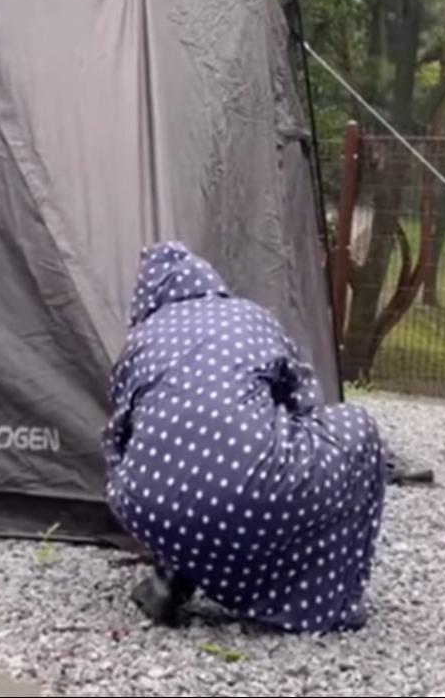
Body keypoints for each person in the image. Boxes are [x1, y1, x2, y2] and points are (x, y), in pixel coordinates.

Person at [103, 241, 387, 634]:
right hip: (248, 495)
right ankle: (324, 602)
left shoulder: (139, 341)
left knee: (184, 470)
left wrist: (133, 499)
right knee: (356, 429)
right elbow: (308, 404)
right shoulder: (249, 317)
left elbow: (117, 440)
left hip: (147, 507)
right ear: (207, 281)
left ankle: (174, 570)